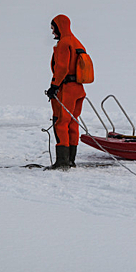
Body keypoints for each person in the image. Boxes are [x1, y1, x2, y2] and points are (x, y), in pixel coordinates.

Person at [45, 14, 87, 170]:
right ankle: (71, 160)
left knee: (61, 123)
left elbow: (62, 68)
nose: (52, 32)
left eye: (53, 28)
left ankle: (62, 162)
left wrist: (54, 86)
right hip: (79, 89)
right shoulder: (77, 42)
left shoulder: (64, 43)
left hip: (67, 90)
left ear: (59, 27)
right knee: (73, 122)